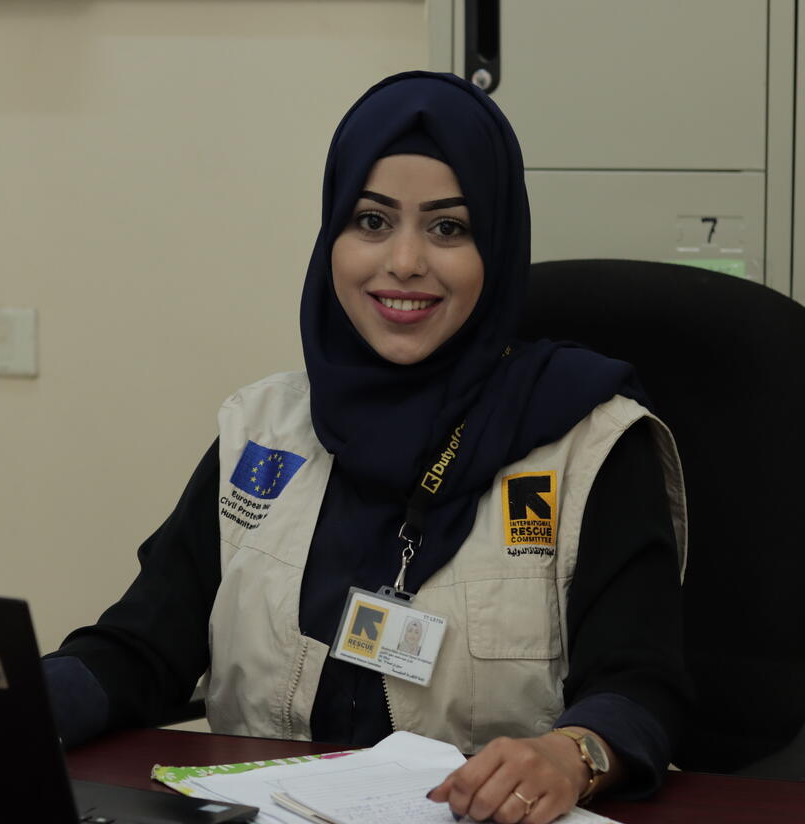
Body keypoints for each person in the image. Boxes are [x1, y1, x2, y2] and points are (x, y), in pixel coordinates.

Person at [43, 71, 689, 824]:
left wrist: (576, 753)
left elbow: (645, 686)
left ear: (499, 245)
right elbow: (142, 647)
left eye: (449, 228)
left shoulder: (591, 444)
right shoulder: (265, 428)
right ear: (332, 239)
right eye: (372, 221)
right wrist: (21, 702)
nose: (405, 262)